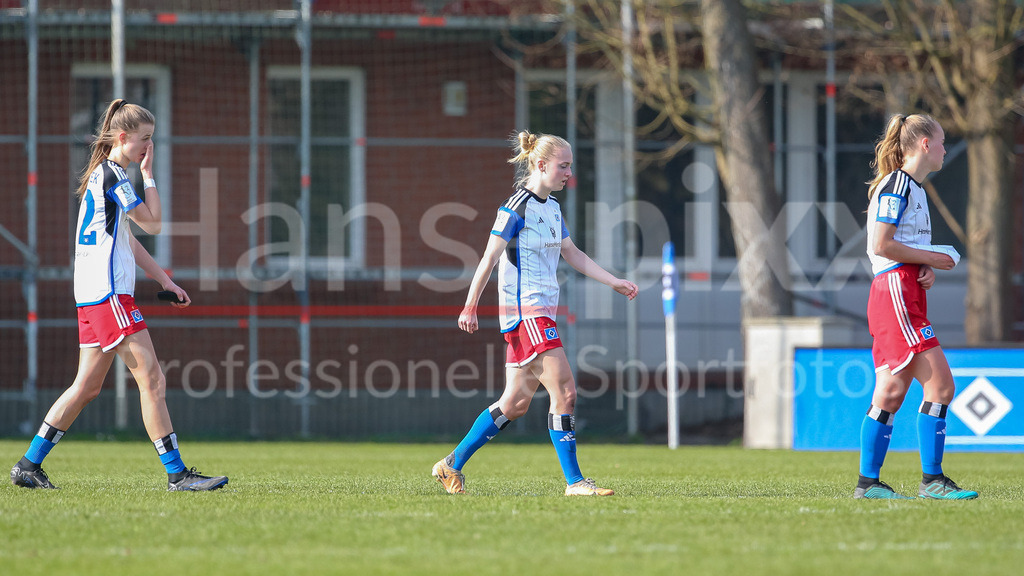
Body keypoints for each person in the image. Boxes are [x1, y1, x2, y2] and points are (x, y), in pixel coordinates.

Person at [10, 99, 228, 492]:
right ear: (122, 137)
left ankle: (28, 464)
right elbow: (154, 224)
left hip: (93, 294)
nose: (149, 146)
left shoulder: (104, 175)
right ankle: (177, 475)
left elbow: (127, 239)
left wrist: (165, 280)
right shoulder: (114, 175)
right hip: (109, 294)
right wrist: (149, 176)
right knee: (152, 379)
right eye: (144, 139)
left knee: (86, 387)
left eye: (152, 140)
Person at [431, 131, 638, 496]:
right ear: (541, 165)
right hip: (526, 313)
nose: (568, 173)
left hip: (539, 314)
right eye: (563, 165)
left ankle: (451, 464)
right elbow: (489, 258)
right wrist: (470, 304)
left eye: (570, 166)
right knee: (567, 391)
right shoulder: (515, 207)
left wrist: (613, 281)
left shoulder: (552, 208)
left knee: (515, 403)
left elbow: (572, 253)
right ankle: (575, 482)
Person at [855, 113, 977, 500]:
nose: (944, 149)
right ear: (925, 144)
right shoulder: (898, 184)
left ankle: (868, 485)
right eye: (941, 142)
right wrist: (930, 258)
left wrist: (922, 264)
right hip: (895, 291)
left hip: (900, 287)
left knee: (890, 393)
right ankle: (932, 481)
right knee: (941, 385)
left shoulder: (914, 188)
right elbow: (881, 244)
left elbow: (895, 247)